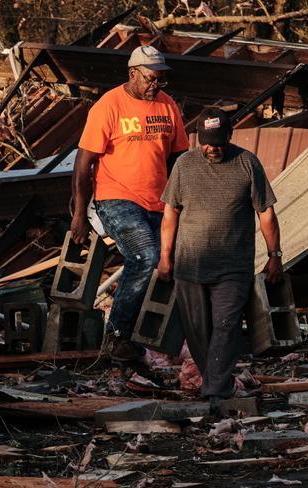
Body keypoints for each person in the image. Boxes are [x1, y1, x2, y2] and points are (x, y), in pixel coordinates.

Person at [70, 45, 190, 362]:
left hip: (159, 202)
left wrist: (183, 204)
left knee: (174, 263)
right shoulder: (108, 106)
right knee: (145, 256)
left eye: (161, 80)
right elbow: (82, 165)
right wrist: (80, 214)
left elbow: (179, 158)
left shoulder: (168, 107)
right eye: (151, 78)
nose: (156, 85)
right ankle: (117, 337)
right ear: (133, 73)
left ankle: (160, 340)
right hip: (116, 198)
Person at [158, 107, 282, 407]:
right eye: (206, 141)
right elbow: (170, 213)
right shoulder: (184, 165)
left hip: (233, 266)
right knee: (198, 330)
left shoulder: (246, 163)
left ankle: (215, 392)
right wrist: (165, 256)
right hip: (190, 265)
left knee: (226, 325)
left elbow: (265, 212)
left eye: (218, 141)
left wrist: (274, 254)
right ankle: (216, 383)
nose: (212, 147)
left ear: (230, 135)